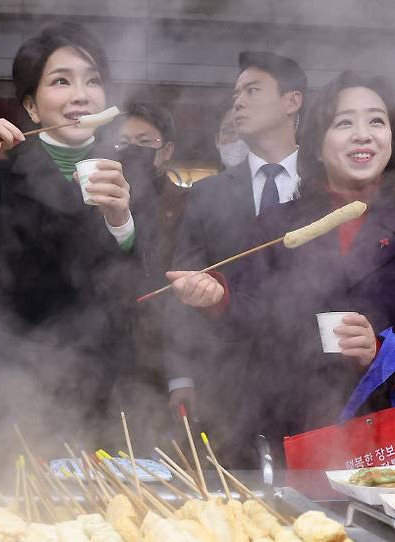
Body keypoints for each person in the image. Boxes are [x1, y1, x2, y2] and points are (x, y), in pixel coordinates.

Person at [168, 71, 395, 465]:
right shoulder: (278, 224)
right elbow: (254, 311)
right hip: (287, 423)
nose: (363, 134)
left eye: (377, 120)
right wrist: (219, 295)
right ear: (319, 148)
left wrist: (380, 349)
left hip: (379, 433)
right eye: (345, 122)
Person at [0, 22, 136, 464]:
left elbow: (141, 287)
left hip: (106, 387)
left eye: (93, 81)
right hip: (15, 387)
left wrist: (120, 221)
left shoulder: (133, 172)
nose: (81, 95)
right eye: (61, 81)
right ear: (30, 105)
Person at [163, 51, 306, 466]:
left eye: (252, 91)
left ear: (292, 101)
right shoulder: (208, 194)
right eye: (236, 93)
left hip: (311, 381)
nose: (238, 102)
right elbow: (182, 288)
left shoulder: (321, 183)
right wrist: (181, 374)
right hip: (225, 382)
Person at [112, 101, 189, 447]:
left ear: (166, 151)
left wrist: (181, 374)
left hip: (163, 363)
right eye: (124, 144)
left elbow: (187, 299)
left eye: (144, 144)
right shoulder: (97, 201)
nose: (133, 153)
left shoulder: (186, 205)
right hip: (103, 357)